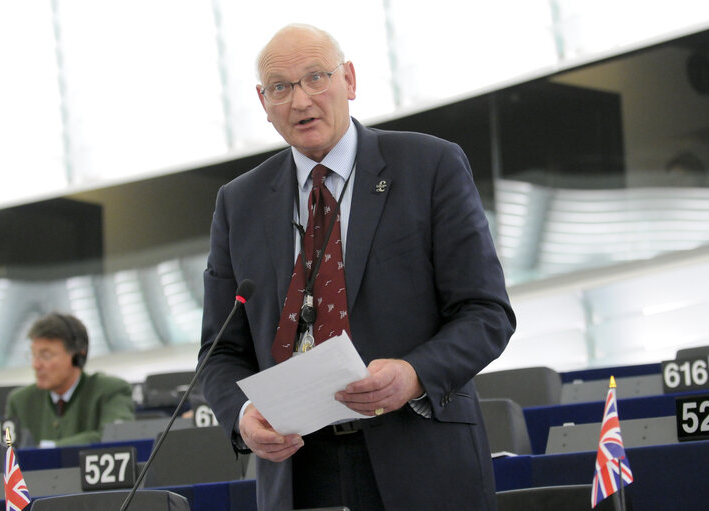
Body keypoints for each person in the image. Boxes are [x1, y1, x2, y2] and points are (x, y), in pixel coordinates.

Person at [198, 23, 516, 511]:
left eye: (316, 78)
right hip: (298, 470)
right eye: (281, 87)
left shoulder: (429, 165)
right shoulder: (237, 204)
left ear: (348, 79)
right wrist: (241, 415)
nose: (301, 101)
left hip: (419, 453)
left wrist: (414, 372)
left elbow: (486, 312)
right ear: (264, 103)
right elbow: (219, 354)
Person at [6, 312, 134, 447]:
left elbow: (117, 437)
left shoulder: (111, 391)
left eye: (46, 355)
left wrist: (47, 448)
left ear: (78, 356)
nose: (36, 365)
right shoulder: (20, 402)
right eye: (33, 355)